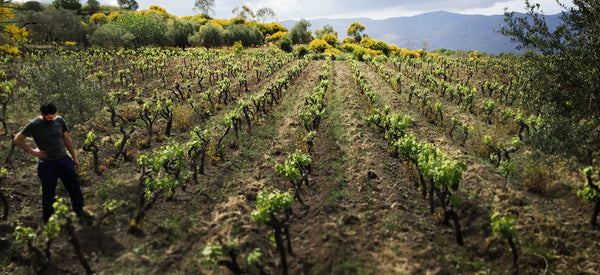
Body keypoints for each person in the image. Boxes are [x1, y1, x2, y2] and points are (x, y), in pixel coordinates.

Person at [13, 102, 90, 223]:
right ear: (42, 114)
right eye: (49, 117)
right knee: (48, 192)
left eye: (53, 116)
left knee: (74, 186)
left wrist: (74, 157)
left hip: (63, 159)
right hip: (47, 163)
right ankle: (49, 219)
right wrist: (33, 151)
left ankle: (80, 211)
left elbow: (66, 138)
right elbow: (18, 139)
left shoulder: (59, 120)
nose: (52, 119)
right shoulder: (34, 124)